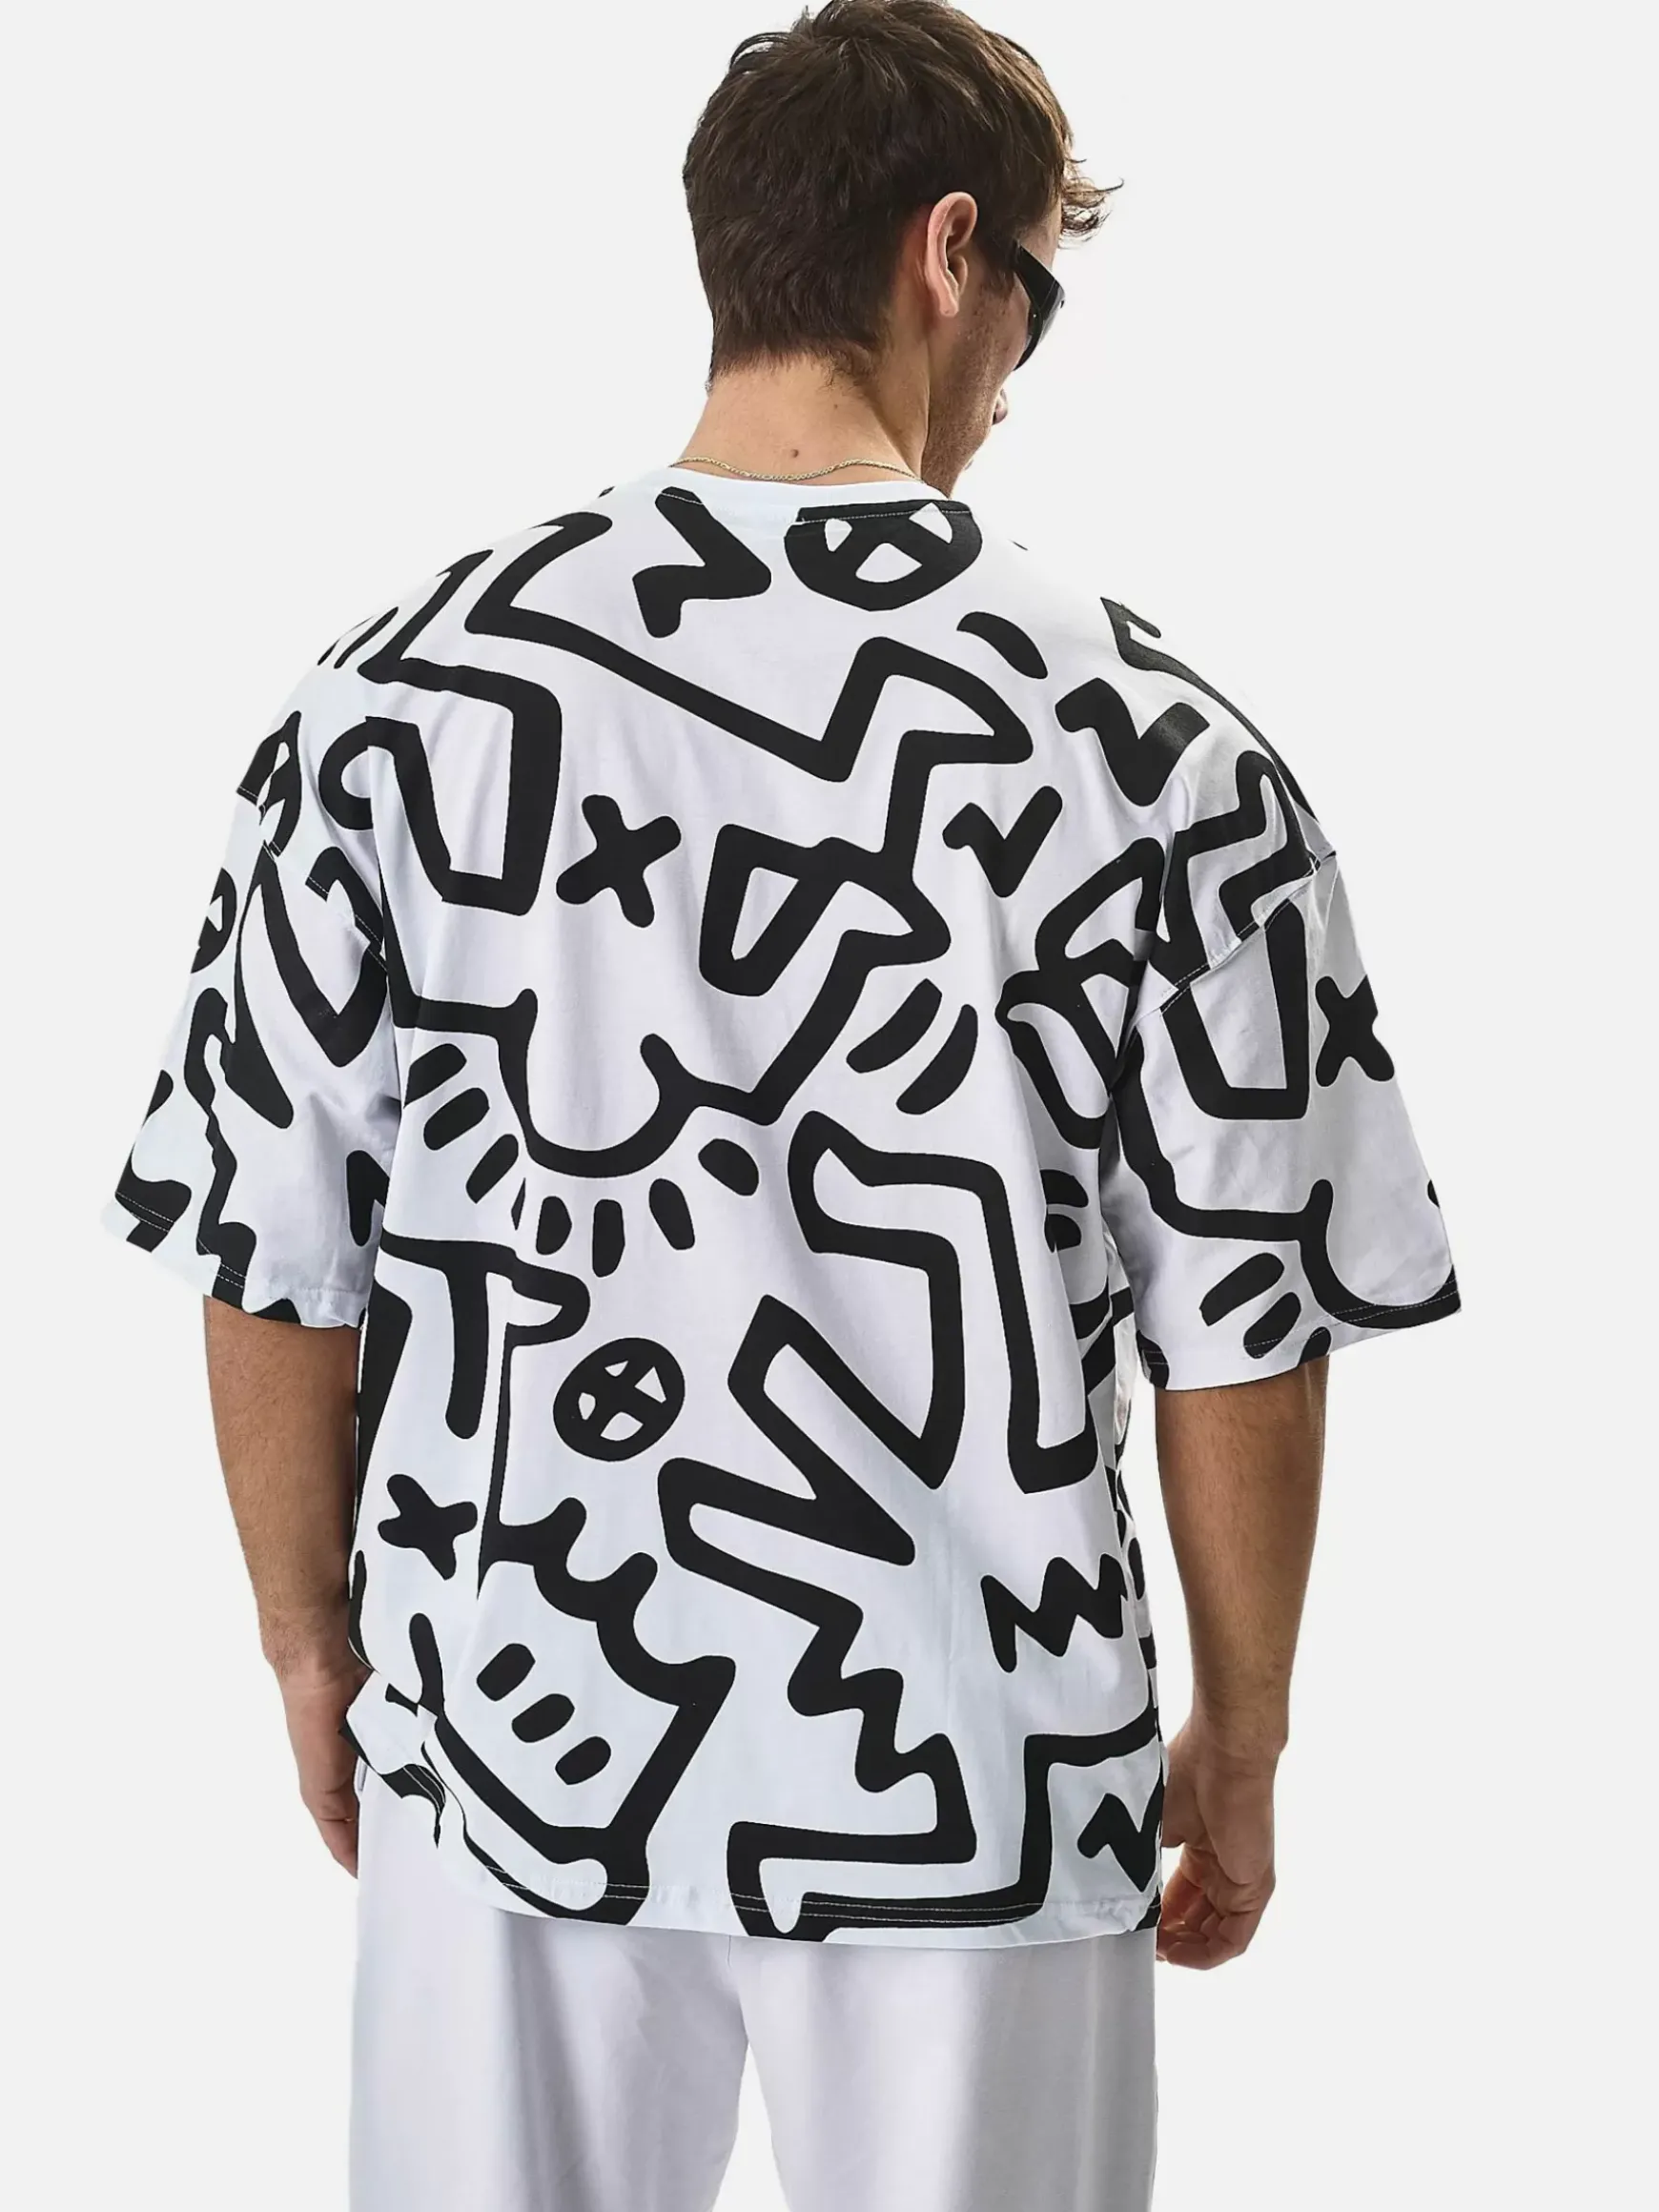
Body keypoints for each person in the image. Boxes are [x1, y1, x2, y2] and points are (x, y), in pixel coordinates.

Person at [101, 4, 1461, 2207]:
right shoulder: (1156, 747)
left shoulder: (394, 703)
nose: (1018, 368)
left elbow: (267, 1237)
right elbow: (1245, 1319)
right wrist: (1242, 1736)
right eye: (1035, 296)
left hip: (515, 1725)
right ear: (950, 252)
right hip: (981, 1768)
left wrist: (308, 1639)